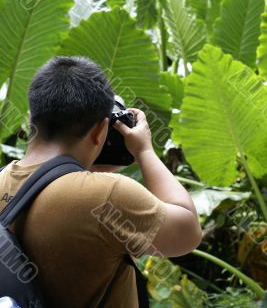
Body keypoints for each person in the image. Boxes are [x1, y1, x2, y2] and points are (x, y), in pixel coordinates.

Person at [0, 56, 202, 308]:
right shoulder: (106, 196)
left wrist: (80, 167)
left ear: (31, 119)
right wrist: (144, 152)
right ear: (100, 131)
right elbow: (188, 232)